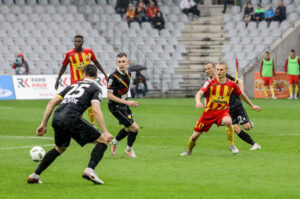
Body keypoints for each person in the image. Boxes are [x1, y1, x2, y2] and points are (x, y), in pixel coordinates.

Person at [27, 64, 113, 185]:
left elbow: (52, 103)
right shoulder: (95, 88)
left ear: (84, 74)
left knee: (59, 148)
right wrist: (105, 131)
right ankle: (90, 170)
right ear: (97, 76)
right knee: (104, 141)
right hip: (72, 118)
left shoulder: (72, 86)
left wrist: (43, 124)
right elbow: (95, 109)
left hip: (57, 117)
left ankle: (35, 175)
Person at [180, 62, 261, 156]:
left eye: (221, 70)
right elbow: (199, 93)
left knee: (228, 121)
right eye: (217, 69)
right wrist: (198, 101)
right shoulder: (209, 82)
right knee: (194, 137)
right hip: (208, 113)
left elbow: (241, 94)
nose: (218, 72)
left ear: (226, 71)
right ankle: (189, 151)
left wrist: (252, 105)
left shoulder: (231, 84)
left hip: (222, 112)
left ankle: (231, 144)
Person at [204, 63, 261, 150]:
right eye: (206, 69)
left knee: (247, 127)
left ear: (214, 69)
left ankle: (249, 123)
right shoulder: (208, 83)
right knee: (236, 128)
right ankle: (254, 144)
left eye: (209, 68)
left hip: (236, 105)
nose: (207, 71)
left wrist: (240, 93)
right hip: (225, 110)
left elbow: (239, 81)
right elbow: (206, 97)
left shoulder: (224, 75)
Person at [54, 34, 107, 125]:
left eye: (79, 41)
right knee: (77, 105)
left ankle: (92, 124)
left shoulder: (89, 52)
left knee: (91, 104)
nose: (77, 43)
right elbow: (63, 67)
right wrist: (58, 79)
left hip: (87, 82)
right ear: (73, 42)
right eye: (76, 41)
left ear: (82, 42)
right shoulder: (69, 54)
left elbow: (96, 62)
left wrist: (105, 74)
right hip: (75, 83)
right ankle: (81, 124)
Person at [107, 53, 140, 158]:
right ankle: (128, 150)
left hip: (125, 104)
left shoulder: (129, 73)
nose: (121, 64)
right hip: (115, 106)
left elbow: (125, 90)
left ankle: (115, 142)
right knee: (134, 128)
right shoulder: (113, 77)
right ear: (116, 63)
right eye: (119, 62)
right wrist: (127, 102)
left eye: (123, 62)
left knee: (127, 128)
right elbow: (109, 96)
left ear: (127, 62)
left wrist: (127, 100)